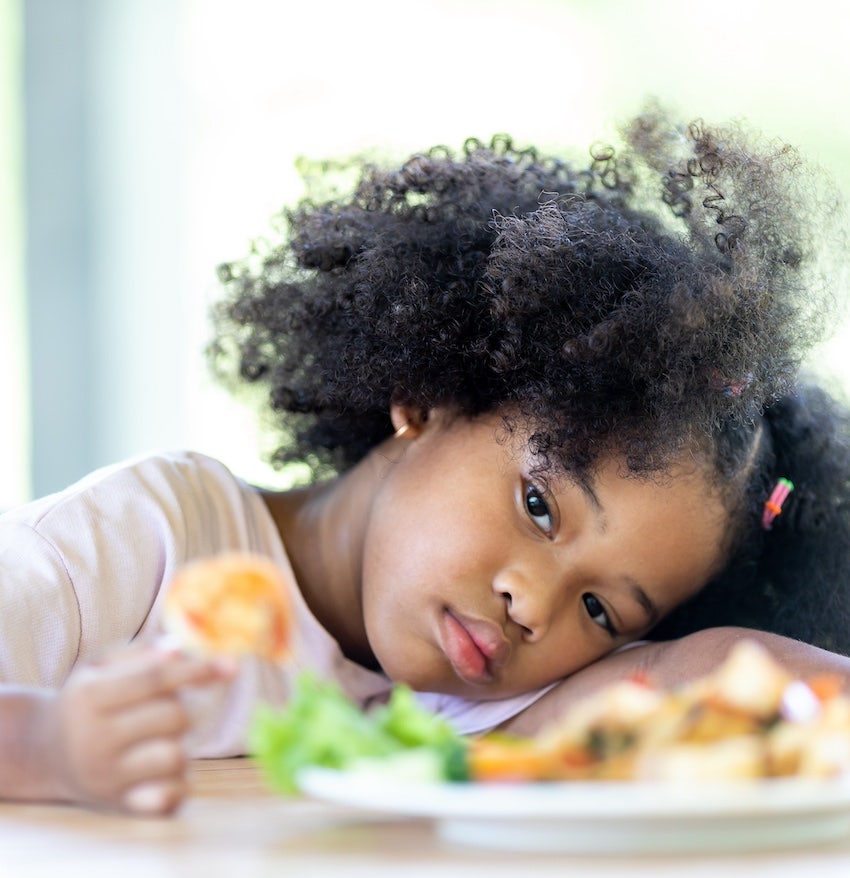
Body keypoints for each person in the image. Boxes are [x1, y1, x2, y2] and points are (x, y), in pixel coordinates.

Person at [3, 105, 850, 816]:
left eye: (601, 610)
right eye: (542, 508)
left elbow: (706, 670)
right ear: (426, 397)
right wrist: (48, 748)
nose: (533, 606)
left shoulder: (487, 710)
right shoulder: (147, 540)